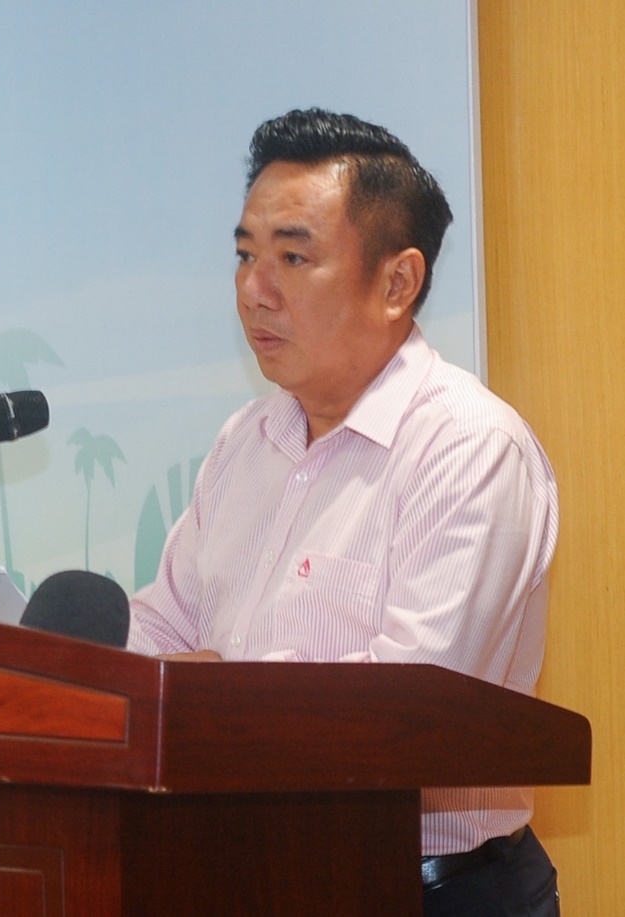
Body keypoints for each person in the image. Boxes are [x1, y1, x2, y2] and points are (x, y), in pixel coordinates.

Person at [127, 108, 561, 916]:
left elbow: (410, 709)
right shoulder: (245, 440)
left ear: (397, 283)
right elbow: (161, 626)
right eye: (244, 254)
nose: (252, 290)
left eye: (292, 257)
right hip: (251, 872)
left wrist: (220, 693)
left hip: (428, 891)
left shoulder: (468, 446)